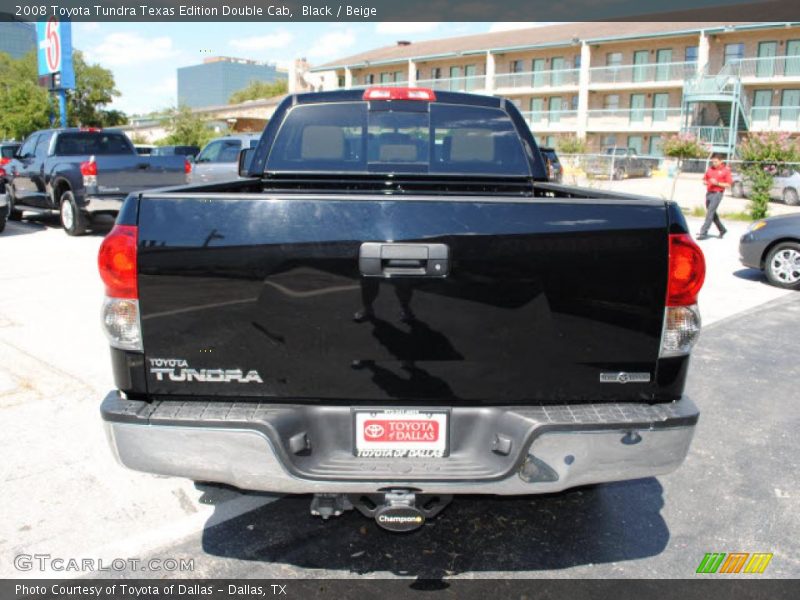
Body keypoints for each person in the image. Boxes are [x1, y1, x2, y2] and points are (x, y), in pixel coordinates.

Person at [697, 153, 732, 239]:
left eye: (716, 162)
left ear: (721, 161)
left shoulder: (725, 171)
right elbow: (705, 179)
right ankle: (722, 229)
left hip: (717, 193)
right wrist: (706, 182)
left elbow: (728, 185)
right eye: (713, 161)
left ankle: (703, 232)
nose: (714, 163)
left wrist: (717, 183)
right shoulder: (710, 169)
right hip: (709, 193)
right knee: (712, 213)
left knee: (710, 213)